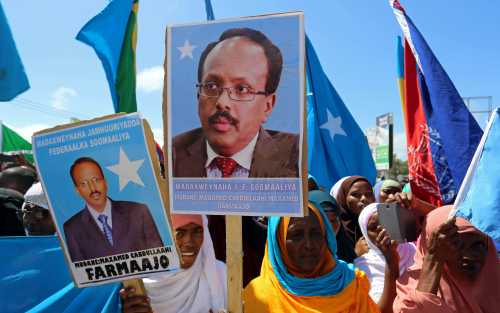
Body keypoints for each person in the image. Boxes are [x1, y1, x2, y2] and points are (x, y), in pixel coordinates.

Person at [172, 27, 299, 178]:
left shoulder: (295, 156)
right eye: (211, 86)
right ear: (198, 94)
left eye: (242, 89)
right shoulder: (173, 153)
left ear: (268, 106)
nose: (222, 102)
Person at [243, 190, 380, 313]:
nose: (309, 245)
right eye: (296, 235)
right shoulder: (258, 296)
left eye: (315, 233)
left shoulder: (350, 284)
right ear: (278, 242)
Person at [393, 205, 500, 313]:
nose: (469, 256)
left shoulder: (493, 276)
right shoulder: (409, 291)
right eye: (456, 245)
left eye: (477, 244)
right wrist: (434, 260)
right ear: (432, 246)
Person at [120, 214, 227, 313]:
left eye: (197, 231)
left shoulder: (221, 275)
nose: (189, 242)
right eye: (179, 232)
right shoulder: (133, 288)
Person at [64, 157, 164, 262]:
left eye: (96, 180)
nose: (93, 188)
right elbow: (81, 272)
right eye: (84, 184)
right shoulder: (72, 228)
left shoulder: (139, 211)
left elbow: (160, 258)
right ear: (78, 191)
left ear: (105, 182)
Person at [354, 203, 416, 312]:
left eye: (385, 222)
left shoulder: (412, 249)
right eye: (373, 228)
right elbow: (382, 310)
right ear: (366, 235)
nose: (382, 230)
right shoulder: (364, 266)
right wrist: (391, 262)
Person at [331, 175, 375, 261]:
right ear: (343, 197)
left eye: (368, 194)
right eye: (355, 195)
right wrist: (356, 255)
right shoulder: (335, 228)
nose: (364, 199)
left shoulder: (380, 225)